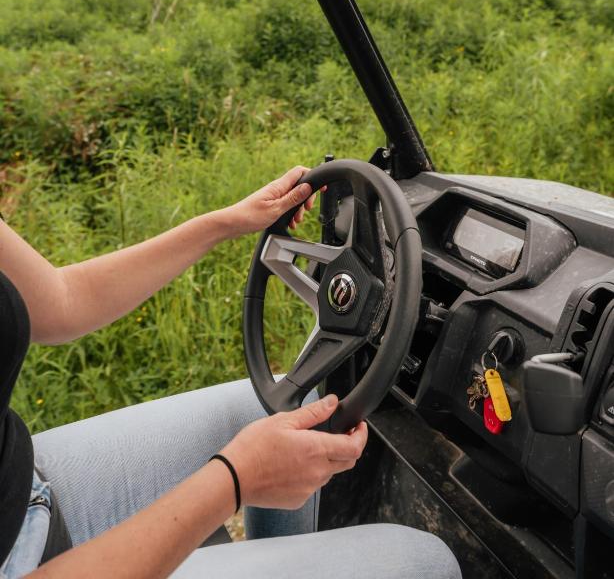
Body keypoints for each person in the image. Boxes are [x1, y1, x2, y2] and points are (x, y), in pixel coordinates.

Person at [0, 166, 461, 579]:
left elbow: (60, 302)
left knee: (281, 403)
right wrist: (236, 479)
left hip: (22, 488)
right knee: (427, 561)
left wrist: (224, 223)